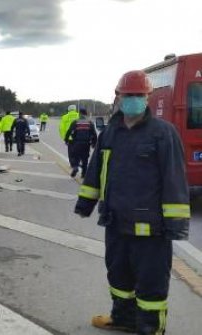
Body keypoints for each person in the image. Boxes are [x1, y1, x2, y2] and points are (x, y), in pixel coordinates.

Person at [74, 70, 189, 335]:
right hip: (115, 221)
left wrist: (175, 224)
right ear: (118, 97)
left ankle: (151, 328)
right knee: (118, 276)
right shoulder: (110, 133)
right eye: (129, 95)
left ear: (148, 98)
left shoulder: (163, 133)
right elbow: (95, 171)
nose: (134, 100)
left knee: (151, 283)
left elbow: (174, 180)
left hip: (151, 228)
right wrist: (85, 204)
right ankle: (124, 318)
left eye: (139, 95)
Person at [65, 107, 97, 178]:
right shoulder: (90, 122)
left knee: (75, 156)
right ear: (86, 114)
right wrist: (94, 143)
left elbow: (69, 131)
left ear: (80, 113)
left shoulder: (75, 122)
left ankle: (75, 167)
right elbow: (94, 134)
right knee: (85, 158)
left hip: (77, 142)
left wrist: (66, 140)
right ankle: (83, 174)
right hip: (86, 144)